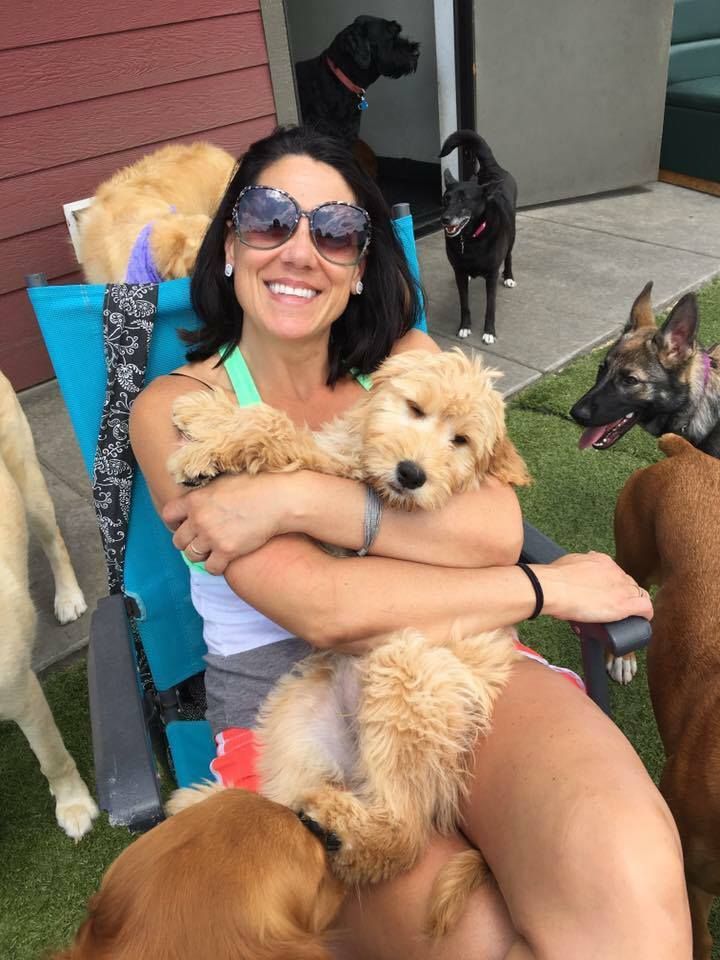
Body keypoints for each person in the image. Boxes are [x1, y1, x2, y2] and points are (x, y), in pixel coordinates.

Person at [129, 125, 690, 958]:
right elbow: (324, 609)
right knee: (477, 936)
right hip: (299, 714)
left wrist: (294, 497)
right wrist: (544, 589)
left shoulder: (407, 360)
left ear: (361, 266)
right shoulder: (179, 410)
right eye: (269, 217)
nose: (300, 250)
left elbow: (497, 527)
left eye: (336, 231)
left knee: (629, 881)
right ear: (229, 244)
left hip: (459, 664)